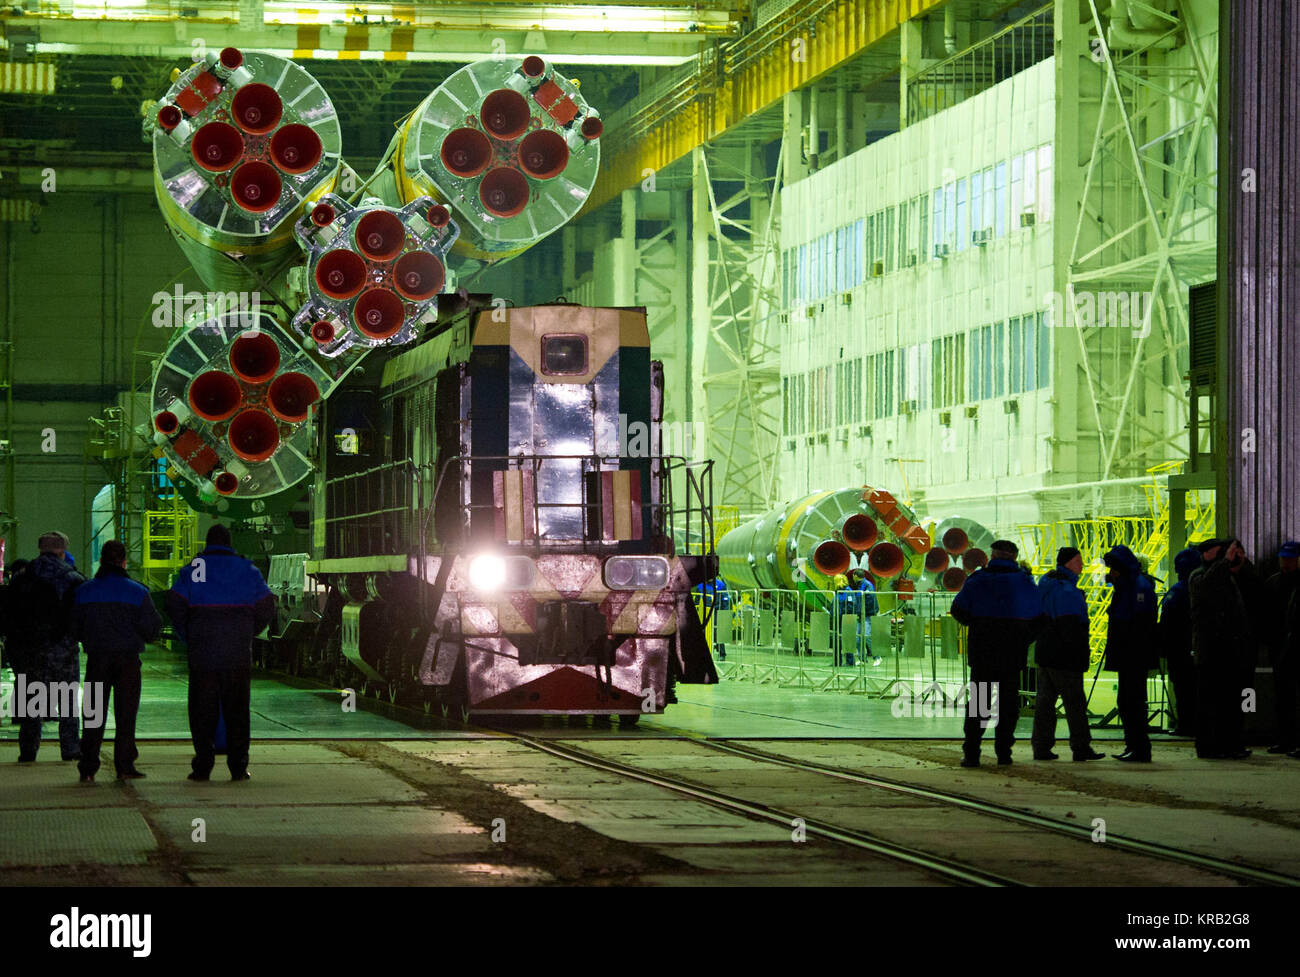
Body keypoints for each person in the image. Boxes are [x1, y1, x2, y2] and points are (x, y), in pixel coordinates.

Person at [165, 524, 274, 782]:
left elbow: (174, 604)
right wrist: (249, 631)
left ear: (207, 542)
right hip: (237, 654)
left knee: (203, 712)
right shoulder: (247, 570)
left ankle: (203, 766)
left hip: (202, 655)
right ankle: (238, 767)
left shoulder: (195, 569)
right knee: (237, 711)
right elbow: (267, 607)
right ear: (230, 542)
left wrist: (187, 634)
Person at [71, 540, 162, 782]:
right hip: (128, 661)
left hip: (97, 660)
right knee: (126, 715)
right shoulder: (138, 592)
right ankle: (124, 766)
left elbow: (73, 628)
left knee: (93, 715)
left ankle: (88, 767)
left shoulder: (84, 591)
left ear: (101, 560)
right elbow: (152, 630)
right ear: (123, 561)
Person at [950, 539, 1045, 767]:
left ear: (991, 556)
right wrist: (1023, 638)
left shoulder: (978, 580)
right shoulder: (1024, 582)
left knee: (980, 702)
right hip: (1012, 654)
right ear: (1014, 557)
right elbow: (1040, 617)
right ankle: (1004, 753)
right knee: (1008, 704)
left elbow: (958, 610)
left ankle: (972, 753)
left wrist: (978, 627)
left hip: (982, 652)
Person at [6, 532, 85, 762]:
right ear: (62, 551)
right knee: (68, 699)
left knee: (32, 698)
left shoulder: (23, 577)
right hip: (64, 649)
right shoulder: (72, 578)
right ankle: (70, 748)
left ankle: (28, 750)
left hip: (32, 648)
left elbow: (11, 613)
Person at [1190, 538, 1263, 760]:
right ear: (1207, 555)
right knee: (1210, 703)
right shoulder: (1199, 576)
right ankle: (1211, 745)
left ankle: (1232, 742)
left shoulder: (1230, 577)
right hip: (1211, 653)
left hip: (1233, 653)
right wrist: (1225, 563)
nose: (1225, 556)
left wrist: (1237, 562)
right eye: (1219, 553)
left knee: (1235, 701)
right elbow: (1205, 588)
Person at [1031, 547, 1105, 761]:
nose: (1082, 564)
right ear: (1069, 563)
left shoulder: (1045, 584)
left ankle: (1041, 746)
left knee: (1045, 702)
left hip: (1045, 651)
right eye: (1078, 560)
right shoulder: (1067, 591)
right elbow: (1071, 628)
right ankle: (1081, 747)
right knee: (1075, 703)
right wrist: (1081, 655)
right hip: (1064, 655)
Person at [1102, 544, 1158, 762]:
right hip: (1130, 654)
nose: (1110, 573)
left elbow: (1139, 624)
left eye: (1113, 569)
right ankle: (1133, 745)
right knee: (1127, 700)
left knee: (1132, 701)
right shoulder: (1130, 585)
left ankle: (1139, 747)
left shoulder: (1136, 587)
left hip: (1132, 654)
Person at [1159, 547, 1202, 737]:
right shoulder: (1199, 587)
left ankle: (1186, 725)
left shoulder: (1178, 591)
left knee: (1184, 690)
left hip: (1179, 648)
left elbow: (1167, 621)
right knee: (1192, 689)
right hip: (1191, 647)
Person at [1262, 541, 1300, 754]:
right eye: (1284, 559)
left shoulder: (1274, 583)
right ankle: (1287, 739)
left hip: (1286, 646)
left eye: (1290, 559)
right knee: (1284, 697)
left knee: (1285, 696)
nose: (1286, 563)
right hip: (1281, 646)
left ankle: (1288, 740)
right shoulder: (1274, 583)